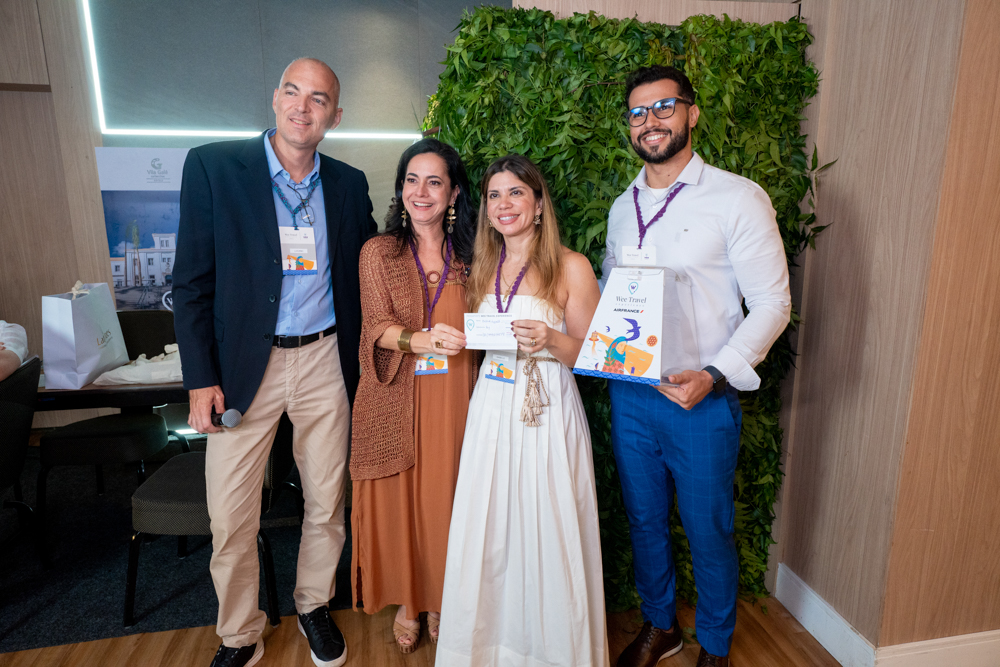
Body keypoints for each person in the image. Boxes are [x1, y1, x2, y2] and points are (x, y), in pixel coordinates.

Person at [173, 58, 376, 667]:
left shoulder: (347, 182)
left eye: (318, 99)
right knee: (230, 513)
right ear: (274, 98)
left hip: (322, 359)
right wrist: (201, 378)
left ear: (334, 117)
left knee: (325, 498)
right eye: (293, 91)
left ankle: (314, 604)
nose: (302, 106)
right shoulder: (213, 167)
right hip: (241, 370)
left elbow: (367, 269)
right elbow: (190, 284)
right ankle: (240, 633)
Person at [605, 65, 791, 667]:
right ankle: (662, 626)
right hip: (633, 393)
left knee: (708, 530)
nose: (650, 121)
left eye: (663, 107)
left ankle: (714, 644)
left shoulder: (737, 197)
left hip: (701, 396)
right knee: (644, 522)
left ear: (692, 113)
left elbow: (773, 304)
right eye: (638, 112)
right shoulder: (621, 206)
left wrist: (713, 374)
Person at [436, 154, 609, 667]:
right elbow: (483, 339)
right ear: (485, 208)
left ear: (537, 204)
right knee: (492, 529)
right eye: (494, 195)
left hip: (548, 408)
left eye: (516, 193)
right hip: (491, 405)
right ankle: (491, 650)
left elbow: (599, 358)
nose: (504, 204)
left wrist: (553, 339)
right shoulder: (483, 265)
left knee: (550, 527)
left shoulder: (570, 266)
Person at [349, 138, 477, 652]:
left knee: (447, 498)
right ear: (400, 190)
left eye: (434, 182)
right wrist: (419, 340)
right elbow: (375, 325)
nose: (420, 192)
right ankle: (409, 600)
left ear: (453, 194)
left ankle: (445, 596)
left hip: (457, 393)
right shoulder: (378, 251)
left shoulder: (475, 254)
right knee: (403, 502)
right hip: (394, 394)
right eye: (411, 180)